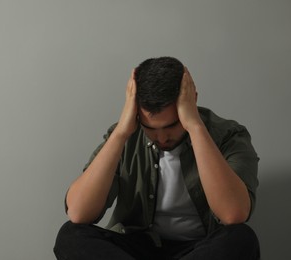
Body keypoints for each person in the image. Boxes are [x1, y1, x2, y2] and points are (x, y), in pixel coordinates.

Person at [54, 57, 260, 259]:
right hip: (134, 248)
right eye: (151, 128)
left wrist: (195, 127)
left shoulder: (228, 135)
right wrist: (120, 134)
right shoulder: (124, 136)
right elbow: (79, 213)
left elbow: (233, 214)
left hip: (199, 249)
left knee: (242, 238)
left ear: (192, 100)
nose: (162, 137)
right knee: (70, 236)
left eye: (171, 125)